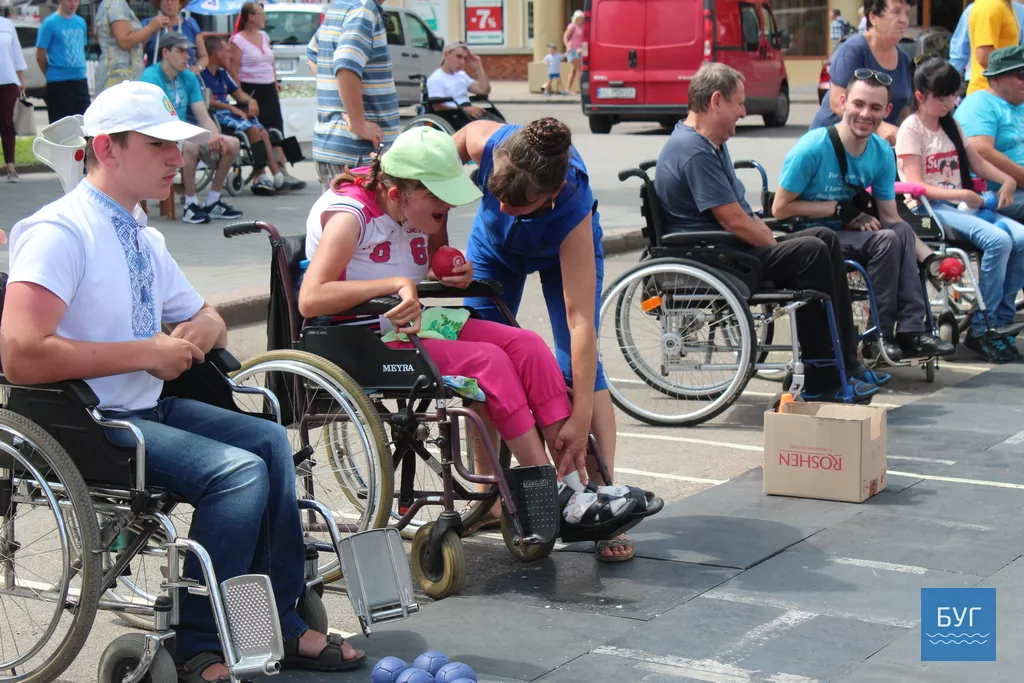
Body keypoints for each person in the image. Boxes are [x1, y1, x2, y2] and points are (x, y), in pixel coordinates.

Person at [1, 79, 366, 681]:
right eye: (159, 145)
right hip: (86, 422)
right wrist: (145, 351)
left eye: (177, 144)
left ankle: (277, 620)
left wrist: (195, 332)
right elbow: (20, 355)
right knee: (238, 473)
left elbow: (208, 318)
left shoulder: (142, 234)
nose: (178, 157)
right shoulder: (60, 232)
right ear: (107, 148)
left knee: (268, 440)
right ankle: (198, 643)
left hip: (145, 408)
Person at [298, 125, 644, 538]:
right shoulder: (350, 217)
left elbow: (425, 261)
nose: (447, 209)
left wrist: (450, 269)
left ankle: (578, 488)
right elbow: (310, 299)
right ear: (397, 194)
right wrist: (394, 284)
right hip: (363, 338)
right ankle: (545, 496)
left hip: (406, 326)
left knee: (527, 345)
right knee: (490, 361)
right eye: (439, 203)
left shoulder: (410, 208)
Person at [451, 117, 638, 562]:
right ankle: (489, 497)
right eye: (498, 195)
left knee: (576, 365)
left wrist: (580, 413)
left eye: (520, 204)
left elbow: (580, 323)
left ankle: (602, 500)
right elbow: (433, 160)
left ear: (550, 195)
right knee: (478, 360)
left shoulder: (573, 207)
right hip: (493, 249)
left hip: (558, 252)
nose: (505, 206)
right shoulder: (488, 141)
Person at [654, 62, 884, 402]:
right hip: (713, 257)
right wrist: (773, 243)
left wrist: (770, 237)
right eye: (739, 104)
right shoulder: (693, 150)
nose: (743, 112)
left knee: (823, 237)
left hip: (725, 250)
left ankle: (847, 362)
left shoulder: (709, 144)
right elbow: (734, 220)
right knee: (811, 253)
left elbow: (741, 214)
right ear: (716, 101)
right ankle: (820, 378)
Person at [774, 70, 956, 363]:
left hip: (851, 235)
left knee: (897, 233)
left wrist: (929, 257)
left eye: (875, 107)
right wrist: (837, 208)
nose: (865, 114)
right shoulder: (812, 148)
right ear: (842, 102)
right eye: (858, 104)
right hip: (809, 238)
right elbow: (780, 208)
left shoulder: (882, 151)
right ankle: (878, 336)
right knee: (886, 240)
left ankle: (911, 330)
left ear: (887, 111)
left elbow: (890, 217)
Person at [896, 56, 1024, 362]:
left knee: (1021, 237)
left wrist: (1006, 179)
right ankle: (982, 326)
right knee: (998, 240)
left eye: (953, 97)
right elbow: (916, 185)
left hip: (961, 205)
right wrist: (964, 193)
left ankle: (1002, 318)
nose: (949, 104)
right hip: (930, 209)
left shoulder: (950, 125)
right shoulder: (911, 129)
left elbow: (977, 163)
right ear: (920, 96)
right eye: (941, 98)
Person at [142, 32, 243, 224]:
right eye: (180, 51)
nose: (187, 57)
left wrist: (215, 136)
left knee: (232, 144)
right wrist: (195, 135)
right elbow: (155, 121)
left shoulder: (188, 77)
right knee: (191, 145)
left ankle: (213, 200)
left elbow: (202, 115)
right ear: (165, 53)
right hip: (157, 137)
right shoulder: (151, 78)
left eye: (187, 52)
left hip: (181, 134)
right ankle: (190, 204)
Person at [306, 0, 400, 191]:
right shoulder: (363, 9)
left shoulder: (343, 6)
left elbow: (313, 56)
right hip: (358, 152)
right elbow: (346, 66)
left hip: (339, 147)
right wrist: (358, 123)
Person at [201, 35, 305, 194]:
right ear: (216, 54)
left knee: (263, 130)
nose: (230, 55)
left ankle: (277, 175)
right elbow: (206, 101)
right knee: (253, 129)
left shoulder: (222, 74)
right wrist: (232, 109)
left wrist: (250, 101)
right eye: (227, 51)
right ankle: (261, 175)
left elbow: (238, 93)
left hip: (228, 112)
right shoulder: (202, 76)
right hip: (215, 115)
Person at [811, 0, 912, 144]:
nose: (904, 20)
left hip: (875, 148)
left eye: (907, 13)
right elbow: (837, 102)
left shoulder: (904, 60)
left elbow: (904, 112)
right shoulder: (854, 49)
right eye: (896, 12)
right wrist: (880, 128)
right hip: (832, 144)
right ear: (873, 17)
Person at [955, 46, 1024, 223]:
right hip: (996, 193)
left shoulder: (1020, 104)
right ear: (996, 78)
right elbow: (980, 149)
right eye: (1021, 74)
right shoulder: (979, 103)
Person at [94, 0, 170, 93]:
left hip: (120, 76)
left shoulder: (115, 4)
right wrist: (151, 27)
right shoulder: (117, 4)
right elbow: (124, 41)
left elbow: (134, 45)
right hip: (119, 77)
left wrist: (149, 33)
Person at [36, 0, 90, 124]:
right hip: (59, 81)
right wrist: (50, 73)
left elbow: (81, 47)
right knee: (60, 125)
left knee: (83, 124)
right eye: (69, 0)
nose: (73, 4)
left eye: (76, 0)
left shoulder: (80, 22)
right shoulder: (50, 23)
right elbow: (40, 55)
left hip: (80, 79)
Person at [949, 1, 1024, 82]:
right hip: (989, 84)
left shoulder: (1015, 8)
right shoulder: (988, 7)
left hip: (1008, 83)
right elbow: (983, 56)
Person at [425, 40, 493, 118]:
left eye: (465, 58)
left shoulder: (461, 75)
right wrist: (465, 109)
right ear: (446, 55)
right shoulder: (436, 78)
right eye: (459, 57)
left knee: (497, 123)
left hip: (467, 112)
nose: (462, 62)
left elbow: (484, 90)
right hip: (453, 116)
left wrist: (478, 67)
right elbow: (438, 107)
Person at [966, 0, 1020, 95]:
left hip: (1004, 92)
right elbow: (985, 57)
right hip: (989, 93)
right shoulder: (990, 6)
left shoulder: (1005, 4)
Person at [142, 0, 205, 69]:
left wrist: (198, 67)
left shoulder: (190, 24)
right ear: (159, 2)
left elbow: (203, 56)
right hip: (155, 75)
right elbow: (138, 53)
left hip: (185, 74)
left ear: (180, 3)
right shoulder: (148, 24)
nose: (169, 2)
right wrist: (150, 30)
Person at [0, 14, 26, 182]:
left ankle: (10, 166)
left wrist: (21, 80)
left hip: (8, 82)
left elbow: (17, 55)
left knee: (7, 124)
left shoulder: (7, 25)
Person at [563, 10, 584, 94]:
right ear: (576, 18)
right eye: (580, 18)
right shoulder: (572, 26)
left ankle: (568, 89)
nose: (582, 19)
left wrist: (582, 48)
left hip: (580, 51)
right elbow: (565, 36)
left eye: (582, 18)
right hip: (573, 50)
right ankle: (583, 89)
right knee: (579, 70)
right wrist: (567, 46)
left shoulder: (583, 26)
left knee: (573, 71)